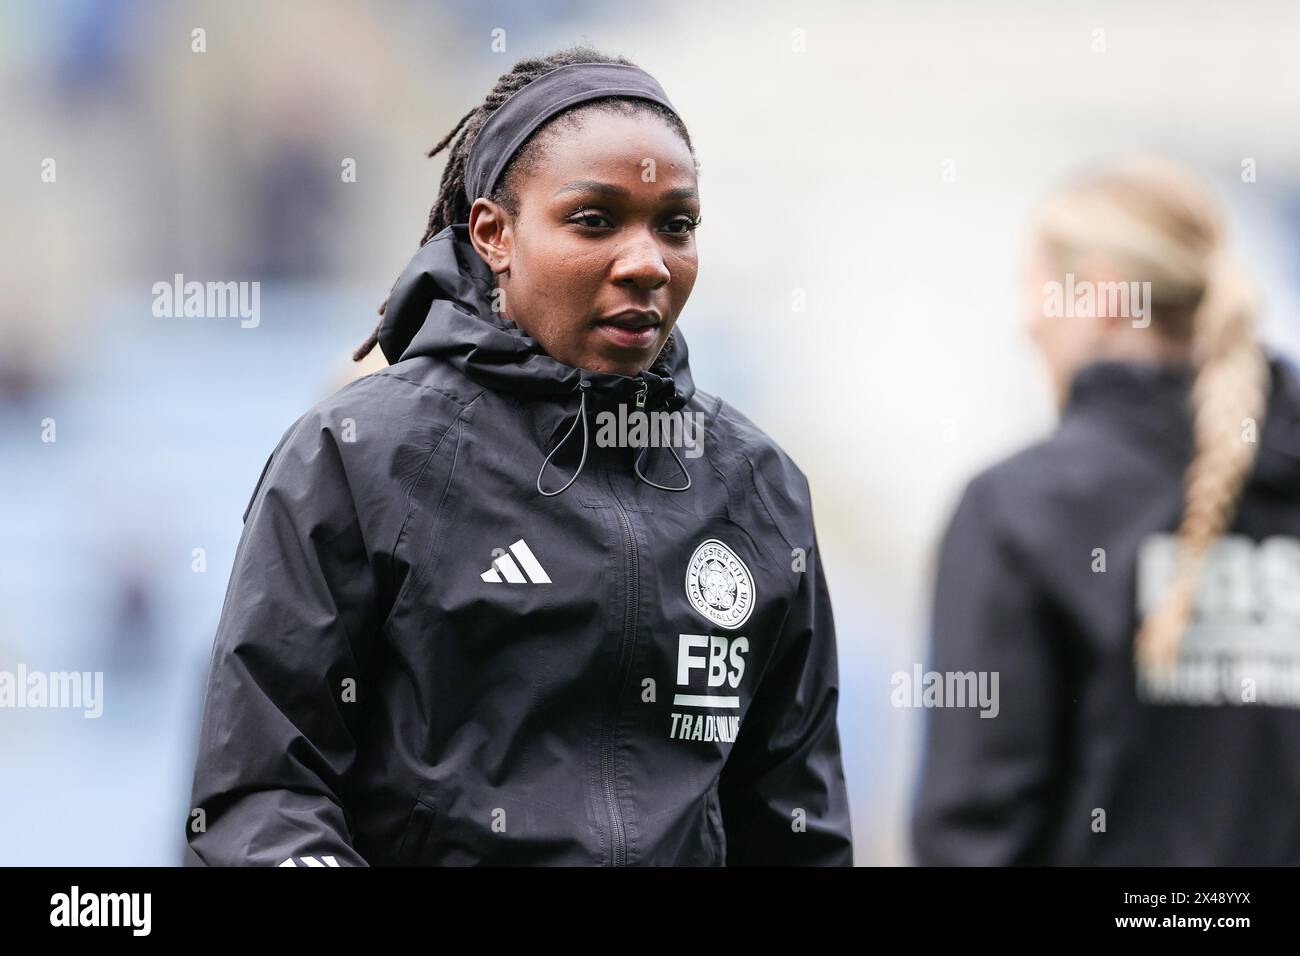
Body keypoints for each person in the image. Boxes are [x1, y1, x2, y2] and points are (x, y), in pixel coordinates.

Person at [185, 47, 854, 867]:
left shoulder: (759, 487)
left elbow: (795, 824)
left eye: (675, 225)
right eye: (595, 219)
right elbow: (262, 796)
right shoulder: (359, 458)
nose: (647, 262)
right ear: (494, 234)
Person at [911, 156, 1300, 865]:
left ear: (1099, 296)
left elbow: (971, 835)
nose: (1029, 329)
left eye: (1036, 299)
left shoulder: (1017, 513)